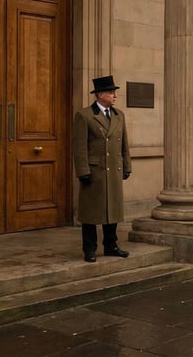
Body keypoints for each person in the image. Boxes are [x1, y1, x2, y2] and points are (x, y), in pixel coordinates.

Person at [73, 75, 132, 262]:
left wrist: (127, 166)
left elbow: (124, 145)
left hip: (114, 170)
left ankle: (111, 245)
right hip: (94, 172)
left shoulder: (118, 115)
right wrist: (83, 171)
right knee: (90, 214)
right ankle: (89, 249)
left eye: (114, 92)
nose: (114, 96)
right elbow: (79, 147)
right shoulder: (84, 116)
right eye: (110, 92)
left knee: (112, 211)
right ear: (99, 95)